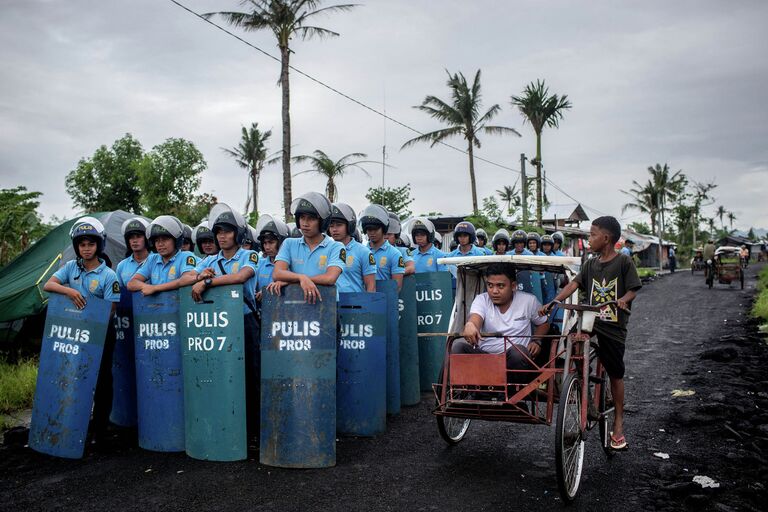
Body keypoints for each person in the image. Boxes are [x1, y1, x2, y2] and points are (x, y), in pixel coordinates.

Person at [540, 216, 641, 451]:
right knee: (570, 344)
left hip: (613, 324)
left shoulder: (624, 262)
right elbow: (574, 285)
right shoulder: (590, 264)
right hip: (590, 318)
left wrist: (623, 300)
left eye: (592, 234)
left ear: (606, 239)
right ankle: (580, 389)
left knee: (616, 373)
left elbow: (633, 288)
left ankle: (618, 425)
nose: (589, 238)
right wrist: (555, 301)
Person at [43, 217, 121, 445]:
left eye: (91, 244)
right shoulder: (70, 268)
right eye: (82, 244)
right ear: (77, 247)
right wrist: (70, 292)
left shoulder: (109, 276)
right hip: (74, 334)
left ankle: (100, 430)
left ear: (99, 245)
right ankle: (74, 425)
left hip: (102, 334)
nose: (86, 249)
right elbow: (49, 285)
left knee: (102, 381)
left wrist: (90, 327)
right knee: (74, 377)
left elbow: (110, 310)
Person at [189, 203, 261, 441]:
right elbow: (187, 276)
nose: (221, 236)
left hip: (246, 321)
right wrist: (199, 275)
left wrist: (208, 282)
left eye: (227, 231)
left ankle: (253, 432)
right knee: (223, 375)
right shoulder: (210, 260)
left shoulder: (249, 255)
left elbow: (241, 277)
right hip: (220, 324)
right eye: (218, 231)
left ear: (238, 234)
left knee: (251, 377)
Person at [453, 263, 549, 382]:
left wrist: (536, 341)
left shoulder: (529, 301)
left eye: (500, 286)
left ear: (513, 286)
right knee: (457, 348)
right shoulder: (481, 299)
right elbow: (475, 318)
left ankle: (512, 395)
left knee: (518, 352)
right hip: (485, 358)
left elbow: (543, 323)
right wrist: (470, 325)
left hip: (514, 359)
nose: (494, 291)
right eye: (490, 285)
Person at [268, 192, 345, 302]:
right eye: (302, 218)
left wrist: (291, 280)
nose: (305, 223)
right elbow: (277, 273)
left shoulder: (336, 247)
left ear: (322, 221)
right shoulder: (289, 244)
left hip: (327, 306)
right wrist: (301, 278)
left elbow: (330, 278)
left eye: (311, 219)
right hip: (297, 304)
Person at [127, 215, 198, 295]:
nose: (160, 244)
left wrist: (155, 288)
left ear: (176, 240)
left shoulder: (186, 256)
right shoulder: (152, 259)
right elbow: (131, 283)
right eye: (157, 240)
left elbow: (187, 279)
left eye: (165, 239)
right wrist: (145, 287)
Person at [328, 202, 376, 293]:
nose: (334, 229)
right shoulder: (325, 250)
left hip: (354, 305)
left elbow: (371, 287)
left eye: (339, 225)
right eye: (331, 226)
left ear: (349, 225)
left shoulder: (363, 252)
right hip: (329, 304)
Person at [359, 204, 405, 290]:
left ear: (383, 229)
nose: (372, 233)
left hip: (386, 299)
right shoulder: (361, 252)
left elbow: (397, 287)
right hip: (363, 300)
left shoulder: (394, 254)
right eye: (369, 229)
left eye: (375, 229)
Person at [254, 214, 290, 300]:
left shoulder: (293, 265)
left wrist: (284, 282)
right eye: (265, 243)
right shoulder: (259, 265)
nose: (267, 247)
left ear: (282, 242)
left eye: (271, 242)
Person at [116, 217, 150, 288]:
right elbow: (119, 293)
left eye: (138, 236)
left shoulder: (158, 260)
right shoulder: (121, 266)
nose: (134, 241)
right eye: (131, 237)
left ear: (146, 238)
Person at [386, 212, 415, 276]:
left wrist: (393, 273)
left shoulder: (403, 251)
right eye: (384, 234)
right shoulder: (368, 250)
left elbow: (411, 268)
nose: (386, 237)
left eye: (389, 234)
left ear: (396, 235)